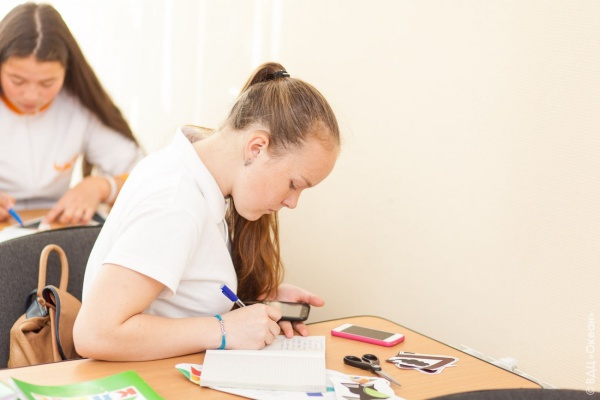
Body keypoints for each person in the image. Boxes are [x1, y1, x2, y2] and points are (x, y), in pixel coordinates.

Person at [73, 62, 340, 361]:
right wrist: (224, 329)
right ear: (256, 148)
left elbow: (180, 288)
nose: (292, 203)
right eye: (294, 184)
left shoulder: (194, 177)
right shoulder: (175, 203)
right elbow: (95, 333)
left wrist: (258, 300)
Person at [0, 3, 143, 225]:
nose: (31, 95)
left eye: (47, 83)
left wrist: (101, 187)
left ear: (67, 72)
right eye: (17, 80)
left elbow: (146, 175)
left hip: (53, 228)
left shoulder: (78, 107)